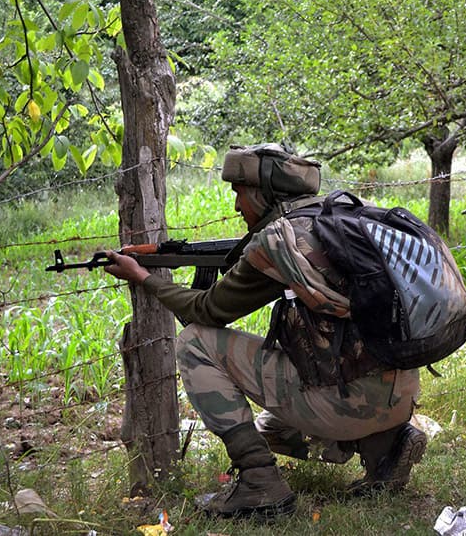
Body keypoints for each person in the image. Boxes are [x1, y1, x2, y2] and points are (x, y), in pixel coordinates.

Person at [102, 143, 426, 520]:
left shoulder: (279, 243)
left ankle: (260, 482)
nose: (237, 205)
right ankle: (386, 445)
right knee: (270, 429)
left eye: (240, 192)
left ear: (262, 192)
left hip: (346, 402)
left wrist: (143, 277)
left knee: (195, 343)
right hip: (400, 396)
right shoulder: (337, 222)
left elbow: (207, 311)